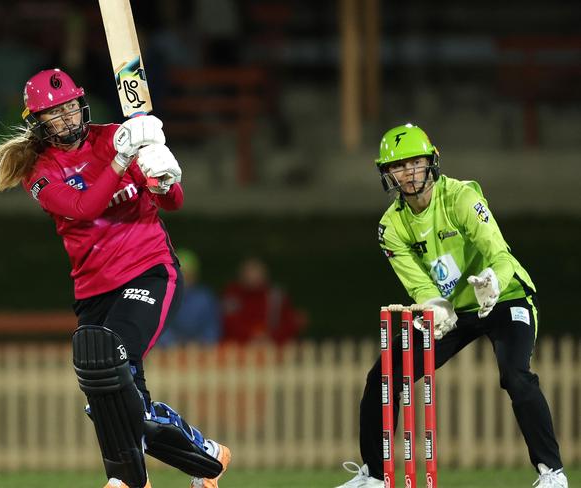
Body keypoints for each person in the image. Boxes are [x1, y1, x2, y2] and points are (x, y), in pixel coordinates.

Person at [0, 68, 230, 488]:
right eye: (52, 115)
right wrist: (122, 160)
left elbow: (172, 202)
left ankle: (126, 480)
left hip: (149, 268)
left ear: (81, 104)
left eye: (68, 109)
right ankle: (206, 457)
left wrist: (163, 174)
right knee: (106, 396)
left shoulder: (118, 135)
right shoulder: (40, 170)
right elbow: (84, 208)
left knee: (110, 360)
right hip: (93, 288)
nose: (65, 120)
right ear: (38, 124)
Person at [335, 124, 567, 488]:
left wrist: (492, 280)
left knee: (515, 375)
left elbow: (500, 254)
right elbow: (418, 282)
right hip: (451, 311)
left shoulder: (460, 197)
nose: (409, 173)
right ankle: (376, 478)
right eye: (398, 166)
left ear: (432, 162)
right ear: (386, 174)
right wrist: (435, 306)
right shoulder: (391, 225)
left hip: (504, 296)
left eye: (416, 162)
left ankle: (552, 473)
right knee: (383, 375)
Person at [221, 256, 306, 344]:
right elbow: (229, 322)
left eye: (256, 271)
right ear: (241, 274)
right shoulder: (232, 295)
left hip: (273, 347)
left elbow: (288, 322)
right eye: (249, 272)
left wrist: (270, 337)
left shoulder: (276, 295)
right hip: (239, 349)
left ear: (265, 274)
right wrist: (250, 337)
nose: (253, 275)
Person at [158, 248, 222, 346]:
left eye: (188, 274)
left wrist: (202, 343)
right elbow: (159, 327)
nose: (184, 278)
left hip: (201, 352)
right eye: (180, 273)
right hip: (169, 352)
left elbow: (212, 327)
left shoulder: (205, 297)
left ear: (195, 275)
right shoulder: (163, 296)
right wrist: (173, 343)